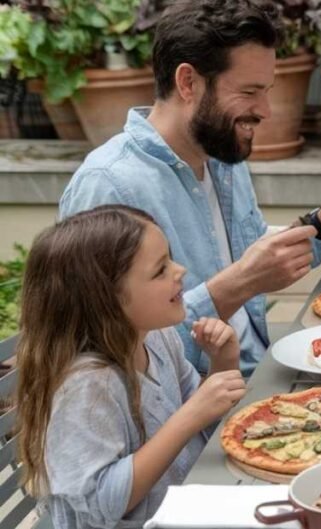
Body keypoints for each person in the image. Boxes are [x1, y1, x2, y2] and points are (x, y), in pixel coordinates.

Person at [59, 0, 321, 377]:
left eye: (267, 90)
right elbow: (104, 358)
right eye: (249, 92)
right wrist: (236, 285)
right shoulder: (109, 184)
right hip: (198, 417)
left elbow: (257, 261)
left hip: (261, 372)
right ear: (188, 82)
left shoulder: (220, 157)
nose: (265, 110)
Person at [16, 205, 247, 528]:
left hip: (188, 507)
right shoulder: (85, 386)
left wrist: (222, 363)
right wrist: (191, 414)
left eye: (170, 259)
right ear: (106, 300)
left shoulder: (157, 339)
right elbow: (101, 505)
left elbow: (211, 428)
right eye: (159, 270)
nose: (179, 270)